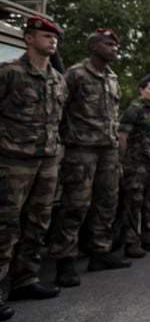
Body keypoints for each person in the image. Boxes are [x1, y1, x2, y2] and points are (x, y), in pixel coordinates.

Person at [49, 28, 131, 288]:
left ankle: (99, 252)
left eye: (115, 45)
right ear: (94, 47)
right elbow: (58, 108)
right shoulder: (75, 74)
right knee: (76, 205)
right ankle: (65, 261)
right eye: (109, 44)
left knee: (107, 201)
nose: (114, 48)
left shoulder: (113, 78)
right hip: (80, 149)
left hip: (107, 150)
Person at [0, 17, 65, 322]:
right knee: (5, 226)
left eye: (55, 38)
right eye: (45, 36)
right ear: (28, 38)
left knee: (38, 222)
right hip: (13, 161)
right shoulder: (10, 73)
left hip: (47, 161)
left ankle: (25, 280)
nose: (52, 41)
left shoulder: (57, 79)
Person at [118, 73, 150, 258]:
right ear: (142, 90)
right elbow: (122, 135)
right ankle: (131, 243)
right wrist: (123, 161)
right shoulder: (134, 109)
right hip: (137, 163)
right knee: (134, 203)